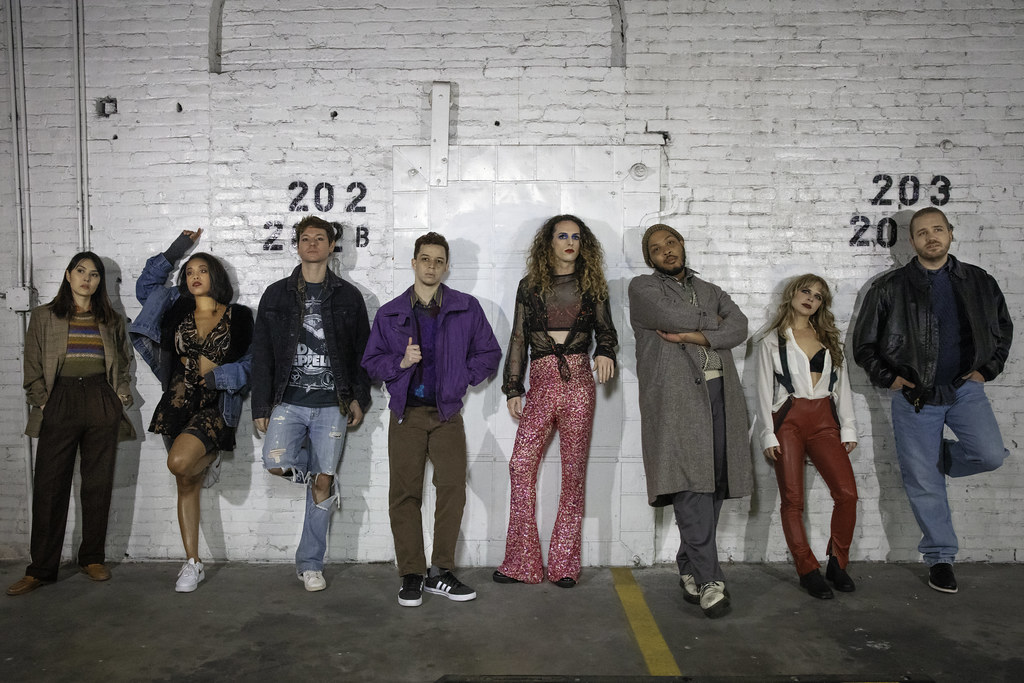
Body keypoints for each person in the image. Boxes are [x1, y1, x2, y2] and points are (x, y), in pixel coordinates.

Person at [852, 207, 1012, 594]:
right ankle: (941, 558)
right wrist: (891, 378)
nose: (931, 237)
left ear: (951, 234)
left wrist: (985, 371)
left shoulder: (979, 281)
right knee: (924, 481)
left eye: (937, 229)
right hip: (915, 395)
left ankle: (928, 459)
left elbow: (1002, 329)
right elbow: (864, 344)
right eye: (922, 232)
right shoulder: (889, 287)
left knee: (989, 455)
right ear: (912, 241)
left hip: (964, 390)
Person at [362, 232, 500, 607]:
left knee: (452, 488)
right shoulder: (391, 312)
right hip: (405, 415)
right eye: (425, 259)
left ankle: (440, 571)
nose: (432, 266)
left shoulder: (465, 307)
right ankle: (411, 573)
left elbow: (489, 352)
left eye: (439, 261)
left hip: (447, 415)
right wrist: (401, 363)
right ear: (414, 262)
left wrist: (461, 377)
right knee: (404, 494)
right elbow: (371, 363)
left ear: (446, 266)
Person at [627, 224, 751, 619]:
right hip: (677, 401)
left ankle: (689, 569)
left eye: (671, 242)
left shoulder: (712, 290)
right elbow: (670, 314)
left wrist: (692, 337)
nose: (666, 250)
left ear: (682, 245)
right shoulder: (642, 288)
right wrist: (711, 324)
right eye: (656, 248)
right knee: (689, 483)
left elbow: (741, 326)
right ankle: (712, 579)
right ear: (649, 258)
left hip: (721, 396)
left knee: (711, 484)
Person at [492, 214, 617, 588]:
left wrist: (605, 351)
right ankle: (521, 562)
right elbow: (517, 338)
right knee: (520, 465)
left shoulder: (593, 286)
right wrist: (513, 386)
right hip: (542, 382)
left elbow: (606, 331)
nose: (569, 242)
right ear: (549, 242)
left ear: (584, 244)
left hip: (579, 379)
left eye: (576, 237)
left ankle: (565, 564)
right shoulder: (529, 286)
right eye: (562, 235)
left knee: (573, 474)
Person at [251, 216, 371, 592]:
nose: (313, 244)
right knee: (275, 462)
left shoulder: (349, 297)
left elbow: (361, 354)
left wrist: (357, 397)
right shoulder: (276, 294)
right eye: (306, 238)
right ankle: (322, 478)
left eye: (321, 238)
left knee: (323, 483)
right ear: (298, 245)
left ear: (332, 245)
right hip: (288, 400)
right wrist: (260, 405)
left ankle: (310, 564)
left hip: (331, 405)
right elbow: (263, 354)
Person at [131, 229, 253, 593]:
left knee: (180, 464)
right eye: (189, 272)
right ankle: (193, 563)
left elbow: (251, 364)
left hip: (216, 403)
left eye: (202, 270)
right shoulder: (175, 307)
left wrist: (221, 376)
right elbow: (145, 287)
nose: (194, 276)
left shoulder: (240, 315)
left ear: (216, 276)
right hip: (177, 401)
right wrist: (178, 249)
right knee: (185, 481)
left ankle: (210, 453)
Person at [7, 253, 135, 596]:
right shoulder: (45, 316)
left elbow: (124, 360)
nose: (86, 279)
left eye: (93, 275)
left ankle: (92, 558)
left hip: (99, 399)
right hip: (59, 399)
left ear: (99, 282)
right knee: (50, 486)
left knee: (97, 483)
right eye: (80, 272)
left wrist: (119, 393)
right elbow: (32, 363)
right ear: (68, 275)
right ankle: (41, 568)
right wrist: (43, 400)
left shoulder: (110, 318)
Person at [754, 274, 859, 600]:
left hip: (824, 420)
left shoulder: (830, 338)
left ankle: (837, 563)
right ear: (793, 294)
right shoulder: (772, 340)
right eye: (806, 291)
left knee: (847, 494)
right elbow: (762, 391)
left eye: (818, 296)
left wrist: (849, 426)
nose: (810, 298)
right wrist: (767, 434)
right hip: (788, 422)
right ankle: (806, 568)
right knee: (793, 500)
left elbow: (842, 387)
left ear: (821, 305)